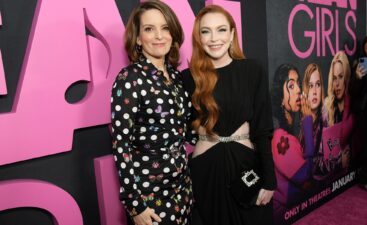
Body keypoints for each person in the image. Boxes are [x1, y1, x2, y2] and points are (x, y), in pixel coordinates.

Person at [182, 5, 276, 225]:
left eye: (221, 30)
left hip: (246, 165)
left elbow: (263, 129)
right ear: (198, 37)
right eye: (206, 31)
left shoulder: (252, 70)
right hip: (206, 168)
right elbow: (180, 128)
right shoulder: (188, 78)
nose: (214, 38)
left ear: (232, 33)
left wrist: (270, 179)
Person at [110, 1, 195, 224]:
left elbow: (182, 132)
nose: (159, 35)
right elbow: (121, 144)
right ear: (138, 38)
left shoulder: (176, 77)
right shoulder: (129, 79)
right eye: (149, 29)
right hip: (150, 198)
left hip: (182, 190)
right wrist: (134, 205)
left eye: (165, 27)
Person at [270, 64, 314, 220]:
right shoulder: (280, 137)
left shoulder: (287, 132)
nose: (298, 90)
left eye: (298, 83)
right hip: (282, 215)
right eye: (291, 85)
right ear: (280, 97)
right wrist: (308, 123)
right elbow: (306, 176)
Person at [351, 34, 367, 194]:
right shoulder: (363, 65)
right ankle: (366, 178)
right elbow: (353, 92)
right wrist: (357, 78)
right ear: (364, 50)